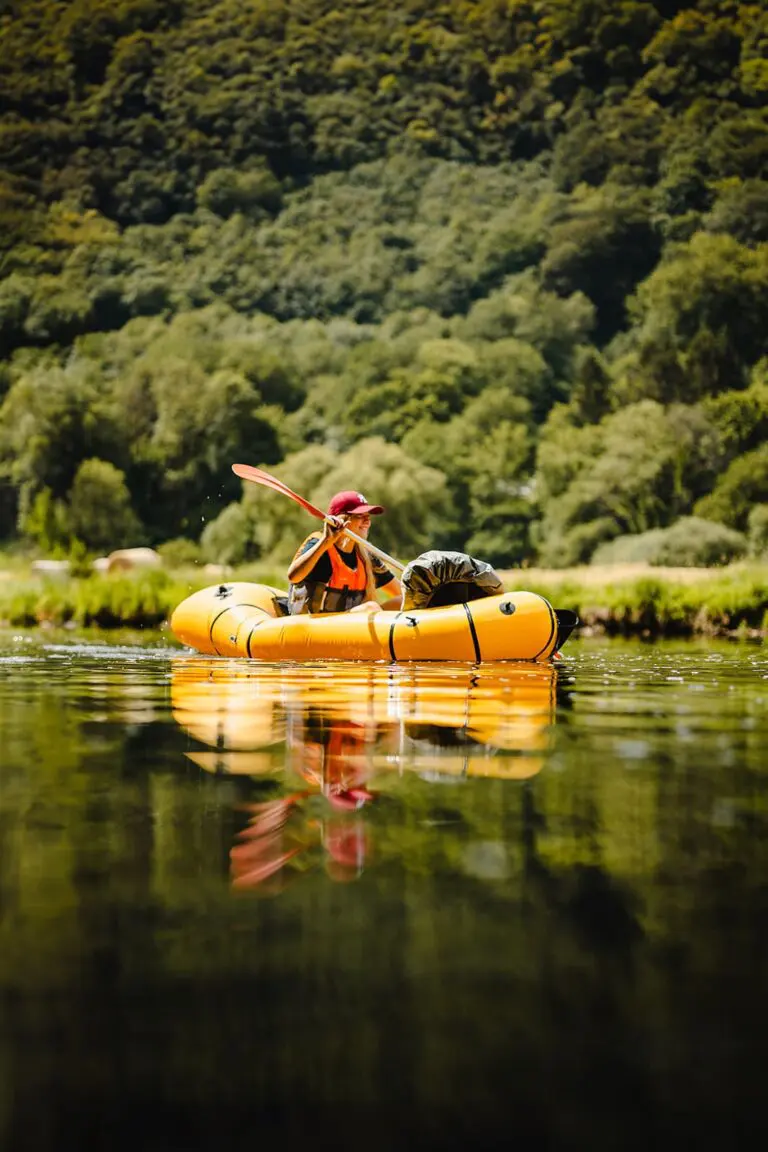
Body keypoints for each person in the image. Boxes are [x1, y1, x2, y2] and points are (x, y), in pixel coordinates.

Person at [287, 489, 401, 614]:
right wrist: (325, 542)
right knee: (370, 608)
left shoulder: (366, 555)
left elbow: (400, 591)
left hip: (346, 627)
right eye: (359, 516)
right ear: (342, 519)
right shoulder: (320, 546)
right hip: (313, 626)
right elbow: (293, 576)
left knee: (402, 601)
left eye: (368, 517)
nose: (367, 521)